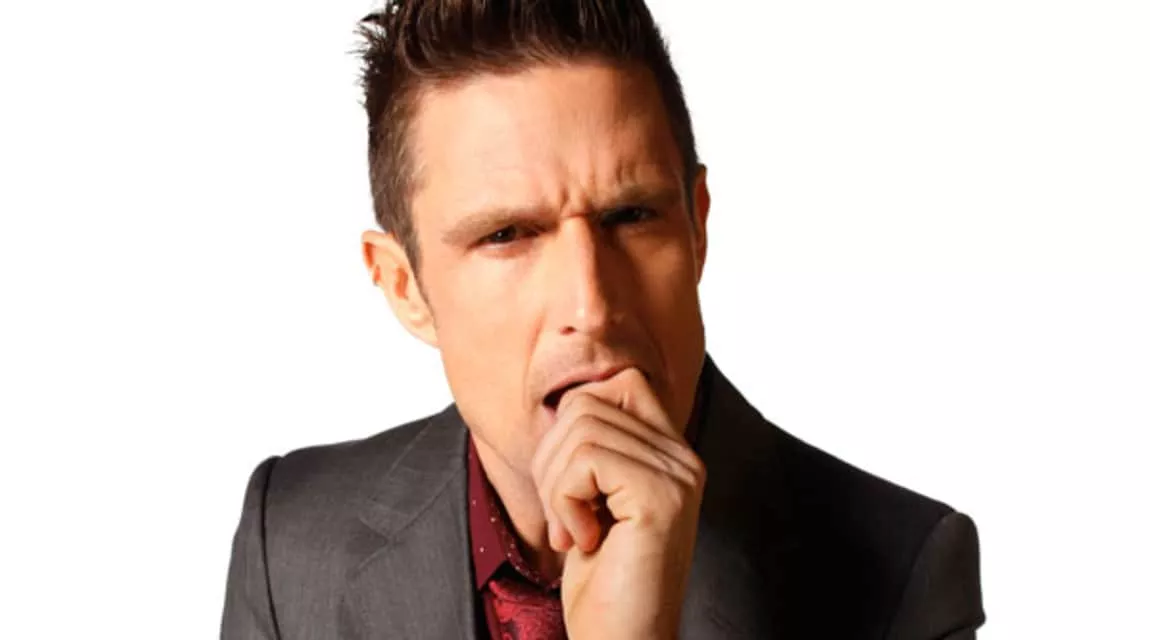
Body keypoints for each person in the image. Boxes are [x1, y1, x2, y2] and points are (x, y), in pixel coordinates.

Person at [221, 1, 986, 637]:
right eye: (507, 235)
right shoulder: (289, 540)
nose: (591, 306)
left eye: (631, 216)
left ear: (697, 228)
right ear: (403, 286)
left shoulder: (904, 579)